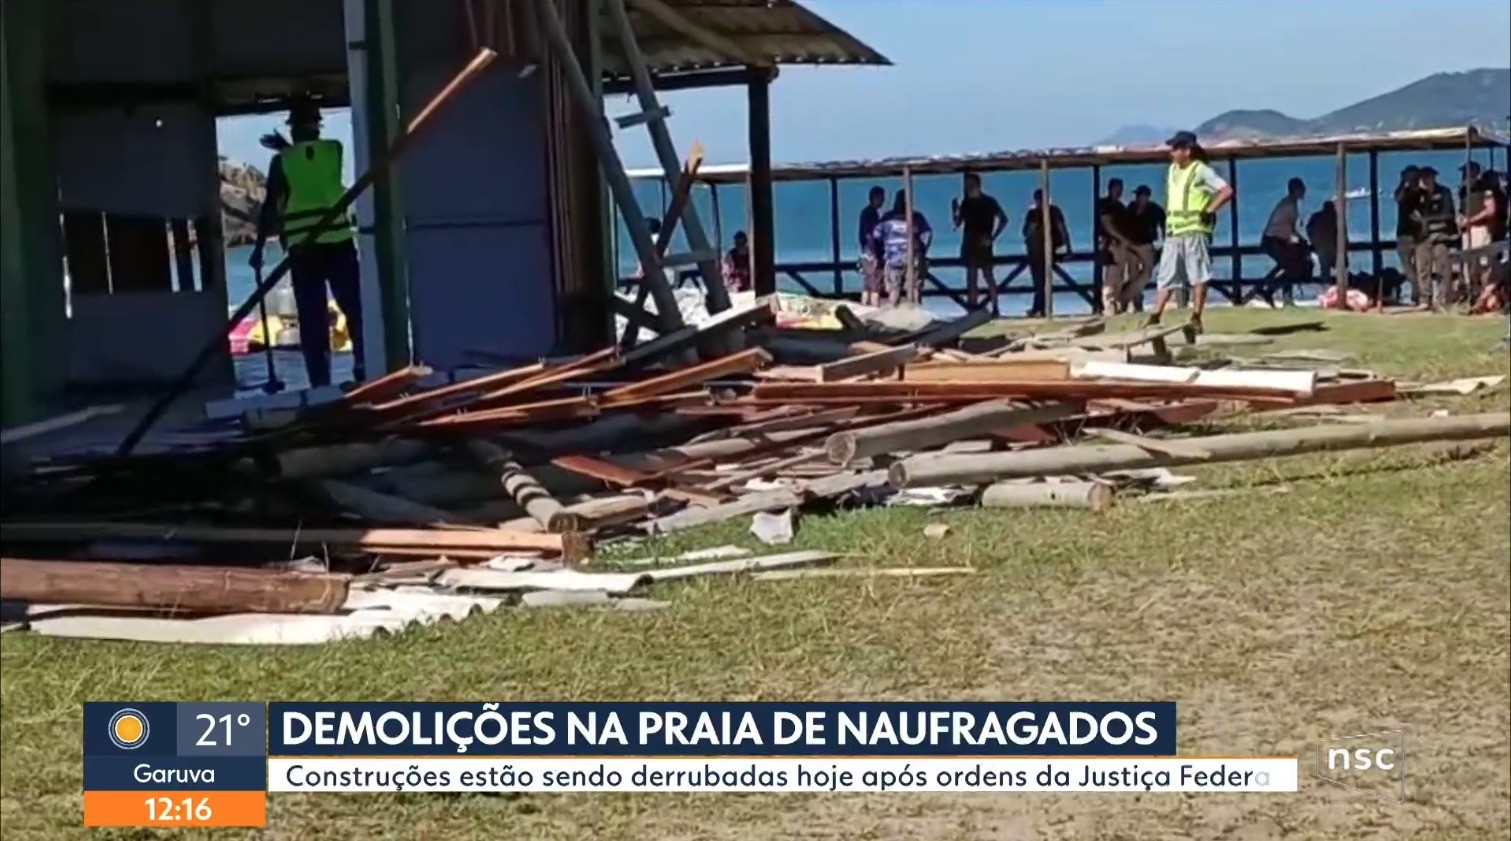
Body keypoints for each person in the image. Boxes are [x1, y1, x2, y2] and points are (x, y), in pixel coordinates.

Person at [251, 96, 365, 387]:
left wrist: (259, 247)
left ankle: (320, 382)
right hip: (339, 242)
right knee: (353, 308)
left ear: (293, 129)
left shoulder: (282, 162)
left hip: (304, 248)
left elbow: (270, 208)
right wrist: (287, 149)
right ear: (318, 126)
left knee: (312, 318)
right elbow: (311, 162)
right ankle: (362, 364)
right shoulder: (334, 150)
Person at [1145, 131, 1233, 335]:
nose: (1172, 152)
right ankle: (1155, 315)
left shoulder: (1200, 170)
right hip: (1174, 230)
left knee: (1198, 275)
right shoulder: (1172, 171)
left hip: (1195, 229)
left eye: (1176, 148)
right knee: (1166, 275)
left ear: (1187, 150)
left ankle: (1196, 316)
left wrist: (1209, 210)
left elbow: (1226, 191)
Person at [952, 173, 1008, 314]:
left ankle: (991, 307)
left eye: (969, 183)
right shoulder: (968, 203)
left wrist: (992, 237)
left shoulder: (987, 201)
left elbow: (1004, 219)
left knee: (986, 276)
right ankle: (973, 307)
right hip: (973, 240)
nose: (967, 186)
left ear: (976, 184)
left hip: (980, 240)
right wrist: (954, 210)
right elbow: (958, 223)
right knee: (974, 277)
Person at [873, 190, 932, 307]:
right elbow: (927, 234)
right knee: (915, 288)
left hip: (894, 257)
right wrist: (923, 250)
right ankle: (916, 314)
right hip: (914, 256)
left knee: (894, 289)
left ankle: (894, 315)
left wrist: (887, 244)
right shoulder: (916, 217)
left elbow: (876, 235)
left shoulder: (887, 218)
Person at [1458, 162, 1507, 297]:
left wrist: (1471, 220)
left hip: (1480, 229)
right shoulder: (1463, 190)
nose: (1464, 175)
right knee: (1469, 265)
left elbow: (1490, 210)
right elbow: (1462, 210)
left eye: (1467, 171)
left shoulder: (1484, 188)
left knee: (1484, 263)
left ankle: (1487, 294)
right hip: (1466, 231)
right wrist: (1461, 220)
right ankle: (1473, 293)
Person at [1259, 178, 1308, 306]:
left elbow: (1288, 229)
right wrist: (1298, 240)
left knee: (1291, 265)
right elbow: (1285, 230)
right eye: (1302, 188)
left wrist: (1300, 240)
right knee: (1292, 266)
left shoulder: (1290, 204)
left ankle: (1275, 291)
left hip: (1276, 239)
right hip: (1272, 240)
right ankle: (1270, 288)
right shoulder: (1289, 206)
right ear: (1296, 190)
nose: (1304, 191)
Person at [1413, 166, 1457, 310]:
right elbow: (1403, 201)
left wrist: (1427, 219)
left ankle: (1444, 298)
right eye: (1422, 177)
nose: (1425, 180)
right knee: (1423, 269)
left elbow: (1449, 214)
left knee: (1442, 267)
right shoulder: (1416, 194)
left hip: (1440, 235)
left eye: (1428, 177)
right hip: (1422, 237)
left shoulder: (1444, 192)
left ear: (1434, 177)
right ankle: (1425, 299)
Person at [1022, 188, 1071, 318]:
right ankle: (1040, 308)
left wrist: (1068, 246)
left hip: (1045, 250)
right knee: (1040, 281)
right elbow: (1026, 232)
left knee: (1041, 281)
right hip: (1035, 251)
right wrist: (1068, 246)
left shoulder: (1051, 211)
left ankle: (1041, 308)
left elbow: (1061, 228)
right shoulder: (1035, 213)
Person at [1097, 178, 1138, 314]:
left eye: (1120, 188)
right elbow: (1107, 224)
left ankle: (1118, 304)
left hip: (1122, 245)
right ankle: (1108, 305)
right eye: (1116, 188)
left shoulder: (1120, 206)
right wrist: (1121, 238)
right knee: (1111, 277)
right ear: (1110, 188)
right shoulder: (1104, 205)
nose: (1119, 191)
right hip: (1111, 245)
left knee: (1121, 277)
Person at [1123, 185, 1165, 313]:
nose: (1137, 198)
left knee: (1146, 274)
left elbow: (1163, 224)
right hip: (1131, 245)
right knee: (1133, 274)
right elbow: (1124, 224)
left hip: (1146, 244)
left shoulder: (1154, 209)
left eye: (1140, 195)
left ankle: (1126, 297)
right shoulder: (1131, 207)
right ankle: (1135, 302)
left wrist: (1162, 241)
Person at [1394, 166, 1424, 307]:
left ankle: (1419, 294)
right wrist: (1403, 182)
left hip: (1419, 235)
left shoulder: (1422, 194)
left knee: (1420, 266)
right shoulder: (1404, 193)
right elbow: (1397, 197)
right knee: (1408, 267)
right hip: (1404, 234)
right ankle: (1416, 292)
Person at [857, 186, 886, 307]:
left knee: (868, 282)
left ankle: (865, 306)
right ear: (875, 198)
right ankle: (874, 308)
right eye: (881, 198)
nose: (883, 201)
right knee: (874, 284)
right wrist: (873, 253)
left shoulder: (867, 212)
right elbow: (869, 234)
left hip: (866, 251)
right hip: (871, 252)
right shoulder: (870, 213)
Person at [1306, 201, 1340, 280]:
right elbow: (1339, 232)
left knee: (1325, 269)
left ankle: (1326, 286)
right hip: (1330, 246)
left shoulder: (1316, 217)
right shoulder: (1334, 217)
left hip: (1319, 245)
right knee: (1336, 268)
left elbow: (1308, 229)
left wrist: (1313, 240)